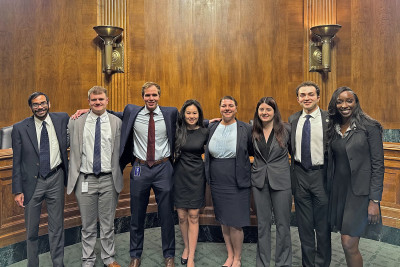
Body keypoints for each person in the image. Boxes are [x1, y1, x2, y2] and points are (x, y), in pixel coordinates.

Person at [327, 87, 384, 267]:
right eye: (340, 101)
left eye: (349, 101)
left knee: (348, 243)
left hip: (359, 194)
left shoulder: (370, 127)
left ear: (356, 103)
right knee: (346, 243)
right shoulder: (333, 127)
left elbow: (378, 165)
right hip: (339, 192)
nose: (344, 105)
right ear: (335, 105)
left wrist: (374, 201)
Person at [12, 92, 69, 267]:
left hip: (56, 178)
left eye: (43, 103)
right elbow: (17, 161)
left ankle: (58, 264)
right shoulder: (20, 128)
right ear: (31, 108)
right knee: (31, 231)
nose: (40, 107)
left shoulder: (62, 119)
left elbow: (80, 120)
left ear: (49, 104)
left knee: (57, 227)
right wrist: (17, 190)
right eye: (36, 105)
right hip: (32, 184)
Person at [67, 86, 123, 267]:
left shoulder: (116, 122)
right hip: (85, 180)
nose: (97, 103)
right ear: (88, 102)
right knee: (88, 225)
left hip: (109, 179)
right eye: (94, 100)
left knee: (108, 224)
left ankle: (109, 258)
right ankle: (88, 260)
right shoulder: (76, 122)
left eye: (101, 99)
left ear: (107, 101)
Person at [204, 96, 253, 267]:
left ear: (236, 108)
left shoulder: (246, 128)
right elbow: (191, 125)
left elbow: (253, 150)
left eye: (231, 105)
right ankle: (230, 255)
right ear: (219, 108)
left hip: (237, 179)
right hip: (217, 179)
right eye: (224, 105)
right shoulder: (212, 127)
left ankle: (238, 258)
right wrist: (205, 121)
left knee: (236, 222)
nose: (227, 108)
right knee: (224, 219)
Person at [288, 81, 331, 267]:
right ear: (298, 99)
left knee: (322, 226)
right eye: (303, 95)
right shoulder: (293, 120)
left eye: (311, 94)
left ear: (318, 97)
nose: (307, 98)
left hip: (321, 176)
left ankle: (322, 263)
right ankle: (308, 264)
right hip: (299, 175)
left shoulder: (329, 119)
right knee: (304, 227)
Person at [251, 97, 292, 267]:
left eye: (268, 109)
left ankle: (282, 263)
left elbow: (295, 154)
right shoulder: (252, 130)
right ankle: (262, 263)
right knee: (263, 225)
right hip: (259, 182)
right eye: (261, 110)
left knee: (283, 225)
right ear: (257, 112)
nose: (265, 113)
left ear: (274, 111)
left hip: (281, 181)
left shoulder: (286, 129)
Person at [173, 99, 208, 267]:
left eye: (195, 113)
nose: (191, 116)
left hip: (196, 177)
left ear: (199, 115)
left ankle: (191, 255)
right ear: (183, 114)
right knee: (181, 216)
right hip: (179, 176)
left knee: (193, 216)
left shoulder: (205, 132)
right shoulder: (177, 131)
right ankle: (186, 247)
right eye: (188, 113)